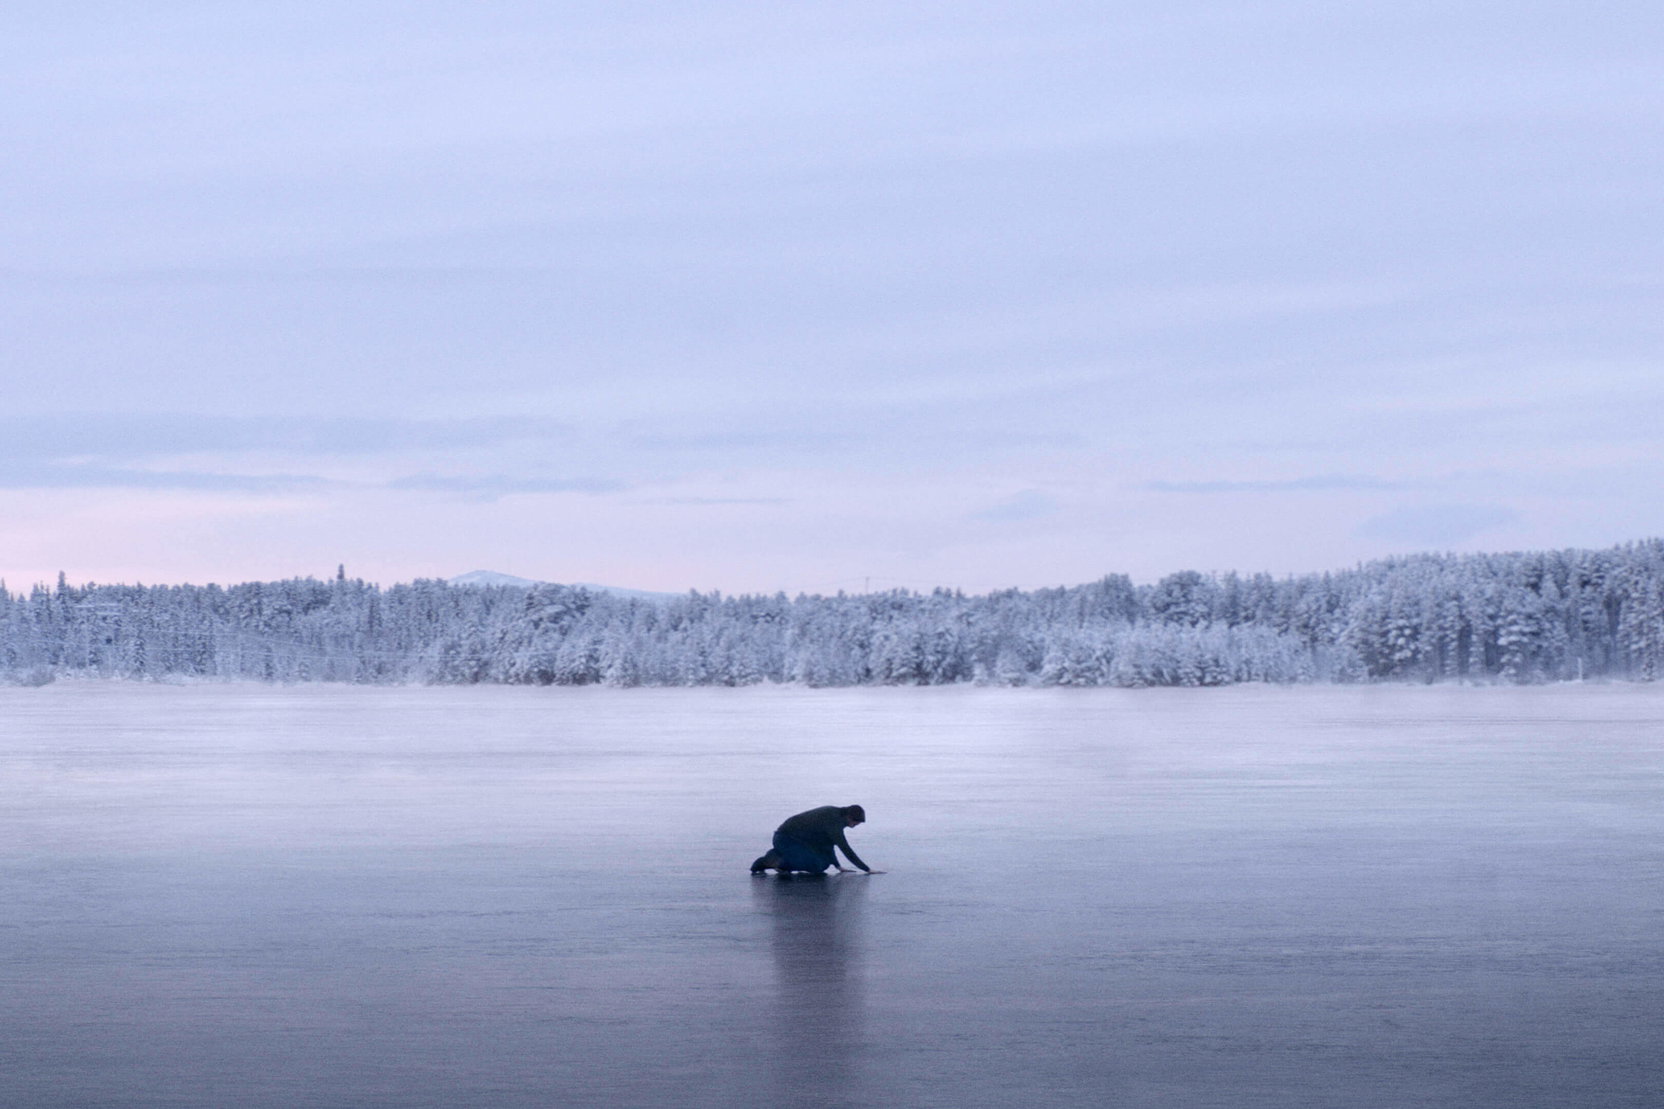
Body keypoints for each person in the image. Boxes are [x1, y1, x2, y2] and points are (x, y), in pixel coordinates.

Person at [751, 804, 871, 875]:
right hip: (785, 838)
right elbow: (844, 847)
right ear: (849, 817)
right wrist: (867, 869)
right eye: (856, 823)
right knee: (814, 865)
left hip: (802, 841)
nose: (855, 826)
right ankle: (769, 862)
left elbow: (828, 843)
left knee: (823, 864)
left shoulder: (837, 816)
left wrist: (837, 866)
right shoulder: (833, 821)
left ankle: (779, 856)